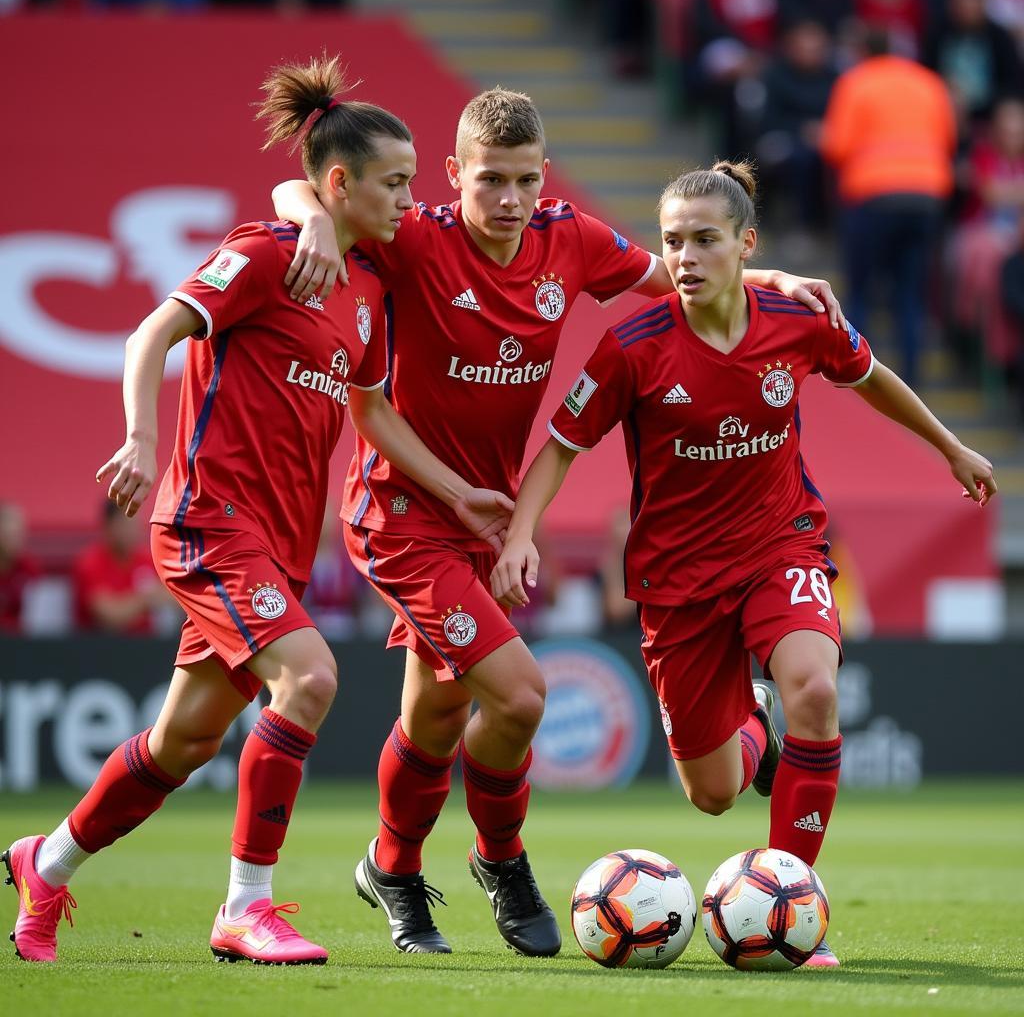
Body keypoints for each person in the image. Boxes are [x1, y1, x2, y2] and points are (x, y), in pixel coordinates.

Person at [273, 88, 849, 958]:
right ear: (452, 174)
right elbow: (315, 194)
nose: (511, 200)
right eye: (492, 180)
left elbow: (680, 277)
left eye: (528, 180)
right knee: (520, 694)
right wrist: (308, 215)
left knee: (435, 715)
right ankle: (501, 862)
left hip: (486, 511)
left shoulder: (570, 239)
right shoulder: (413, 237)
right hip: (401, 510)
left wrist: (766, 278)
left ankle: (389, 866)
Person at [3, 54, 513, 967]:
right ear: (340, 182)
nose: (408, 200)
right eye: (395, 182)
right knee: (310, 679)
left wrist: (454, 490)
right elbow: (149, 331)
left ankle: (47, 860)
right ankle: (246, 906)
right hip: (207, 520)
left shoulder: (362, 291)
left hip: (273, 549)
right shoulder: (269, 254)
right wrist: (140, 439)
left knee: (182, 740)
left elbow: (372, 412)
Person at [490, 160, 997, 969]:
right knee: (713, 793)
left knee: (818, 690)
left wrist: (950, 447)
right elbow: (559, 446)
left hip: (780, 544)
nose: (684, 257)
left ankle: (795, 906)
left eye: (703, 240)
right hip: (678, 582)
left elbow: (872, 378)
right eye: (672, 242)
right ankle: (756, 729)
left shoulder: (797, 321)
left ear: (745, 243)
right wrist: (521, 536)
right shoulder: (634, 346)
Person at [820, 25, 957, 386]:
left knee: (861, 289)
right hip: (927, 196)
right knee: (910, 292)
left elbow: (836, 146)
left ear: (863, 51)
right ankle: (912, 380)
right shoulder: (929, 82)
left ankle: (857, 377)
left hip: (872, 195)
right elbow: (948, 139)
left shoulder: (855, 82)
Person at [72, 498, 168, 635]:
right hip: (99, 649)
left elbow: (175, 597)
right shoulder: (89, 563)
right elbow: (108, 615)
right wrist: (147, 599)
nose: (132, 531)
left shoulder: (147, 559)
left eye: (135, 524)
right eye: (125, 524)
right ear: (108, 526)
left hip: (146, 645)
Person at [0, 501, 42, 633]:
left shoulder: (29, 568)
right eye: (9, 536)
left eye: (18, 535)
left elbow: (38, 614)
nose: (15, 541)